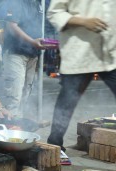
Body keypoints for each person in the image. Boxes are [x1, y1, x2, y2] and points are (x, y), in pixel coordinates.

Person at [47, 0, 116, 151]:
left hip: (110, 52)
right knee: (67, 101)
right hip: (79, 51)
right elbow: (54, 13)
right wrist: (83, 22)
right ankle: (53, 146)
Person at [2, 0, 48, 118]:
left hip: (33, 53)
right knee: (15, 93)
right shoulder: (17, 2)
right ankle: (11, 126)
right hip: (16, 52)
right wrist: (32, 41)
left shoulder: (39, 4)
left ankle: (18, 122)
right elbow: (11, 26)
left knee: (26, 91)